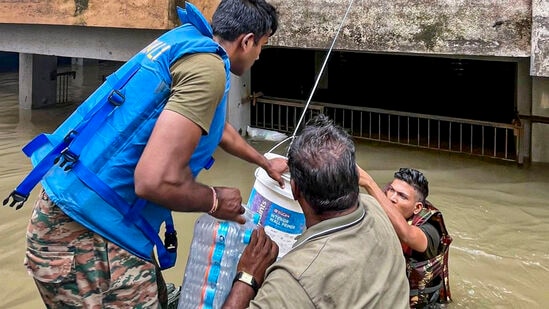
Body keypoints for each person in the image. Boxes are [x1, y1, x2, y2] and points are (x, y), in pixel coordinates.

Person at [12, 0, 285, 308]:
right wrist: (215, 200)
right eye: (262, 45)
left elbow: (217, 128)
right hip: (87, 238)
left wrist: (264, 161)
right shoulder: (208, 70)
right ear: (247, 41)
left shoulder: (187, 42)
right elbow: (152, 182)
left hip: (68, 211)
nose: (260, 54)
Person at [222, 114, 410, 308]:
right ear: (353, 175)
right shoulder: (375, 210)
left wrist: (247, 277)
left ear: (294, 190)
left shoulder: (293, 279)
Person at [357, 166, 453, 308]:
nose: (392, 198)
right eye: (391, 190)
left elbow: (407, 234)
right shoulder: (381, 210)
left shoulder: (431, 230)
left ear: (417, 207)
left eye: (402, 196)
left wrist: (369, 183)